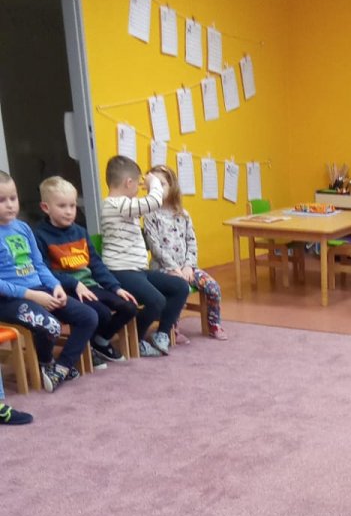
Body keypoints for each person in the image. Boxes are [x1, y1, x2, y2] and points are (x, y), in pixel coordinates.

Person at [0, 169, 98, 392]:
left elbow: (39, 264)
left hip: (40, 288)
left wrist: (55, 285)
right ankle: (45, 362)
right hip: (9, 299)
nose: (10, 205)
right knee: (51, 326)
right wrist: (32, 295)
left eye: (13, 198)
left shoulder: (23, 228)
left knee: (88, 316)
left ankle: (60, 368)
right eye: (2, 200)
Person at [35, 175, 142, 366]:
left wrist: (115, 287)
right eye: (62, 206)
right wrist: (74, 283)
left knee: (129, 307)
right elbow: (43, 272)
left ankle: (98, 342)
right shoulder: (39, 235)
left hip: (90, 286)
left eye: (72, 205)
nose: (69, 211)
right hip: (66, 290)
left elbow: (96, 264)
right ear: (45, 207)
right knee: (102, 313)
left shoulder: (80, 231)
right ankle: (88, 350)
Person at [100, 156, 188, 357]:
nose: (140, 189)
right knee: (157, 301)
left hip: (137, 270)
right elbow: (154, 202)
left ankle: (162, 334)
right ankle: (135, 340)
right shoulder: (115, 204)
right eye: (138, 184)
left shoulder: (125, 205)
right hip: (121, 271)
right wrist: (154, 182)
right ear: (128, 182)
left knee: (180, 287)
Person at [143, 165, 227, 341]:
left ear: (172, 186)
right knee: (179, 290)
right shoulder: (150, 215)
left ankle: (214, 324)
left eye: (162, 184)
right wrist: (174, 268)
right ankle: (172, 329)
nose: (157, 188)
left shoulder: (183, 214)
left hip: (187, 267)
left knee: (213, 287)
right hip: (164, 269)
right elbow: (155, 247)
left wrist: (188, 266)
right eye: (154, 184)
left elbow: (191, 242)